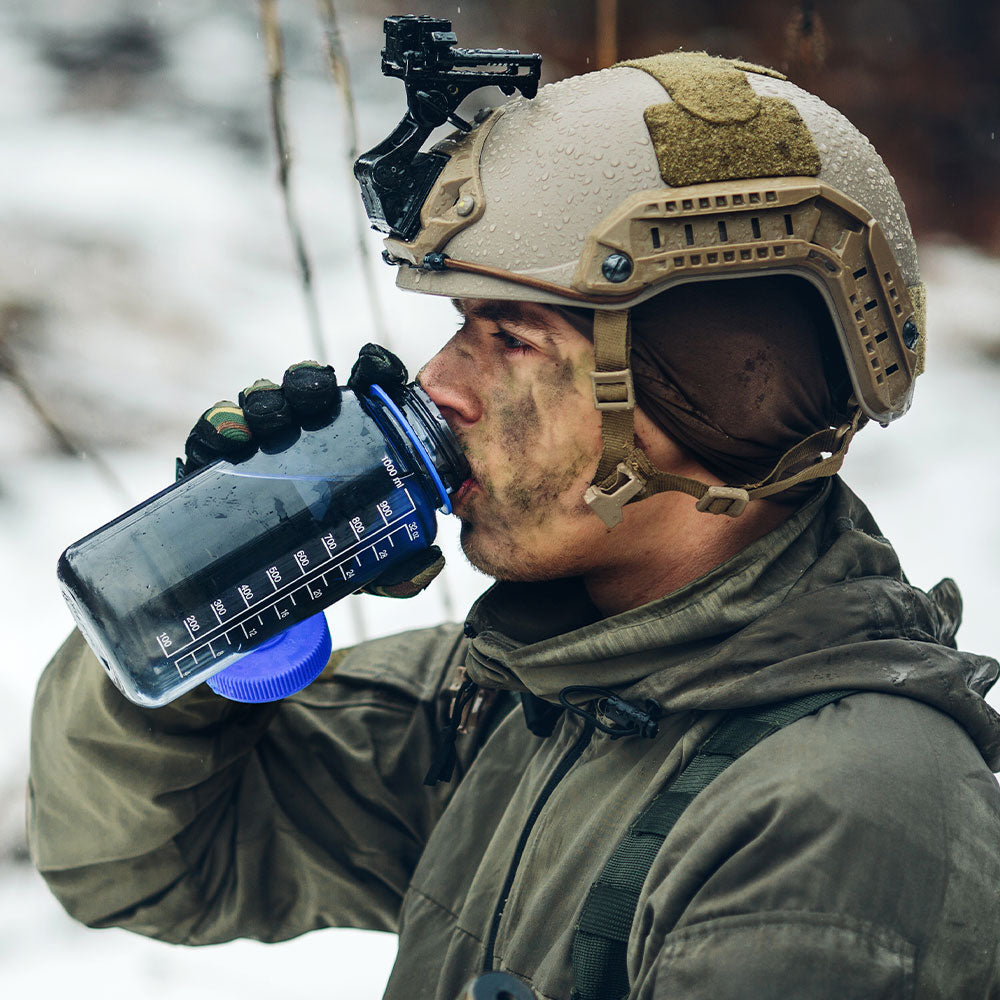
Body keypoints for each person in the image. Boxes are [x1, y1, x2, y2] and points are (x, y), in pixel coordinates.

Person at [29, 39, 1000, 1000]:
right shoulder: (514, 693)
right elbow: (142, 866)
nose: (438, 384)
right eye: (458, 327)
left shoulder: (836, 812)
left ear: (712, 391)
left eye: (509, 336)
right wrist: (219, 592)